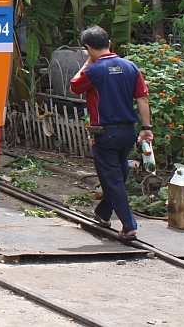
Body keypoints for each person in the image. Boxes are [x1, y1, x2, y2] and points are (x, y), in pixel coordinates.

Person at [70, 25, 154, 240]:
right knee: (119, 174)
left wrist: (89, 61)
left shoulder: (93, 70)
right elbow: (142, 98)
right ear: (109, 44)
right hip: (128, 132)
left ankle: (129, 225)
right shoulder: (130, 67)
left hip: (105, 134)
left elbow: (74, 86)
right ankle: (102, 213)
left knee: (113, 180)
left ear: (88, 47)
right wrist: (146, 128)